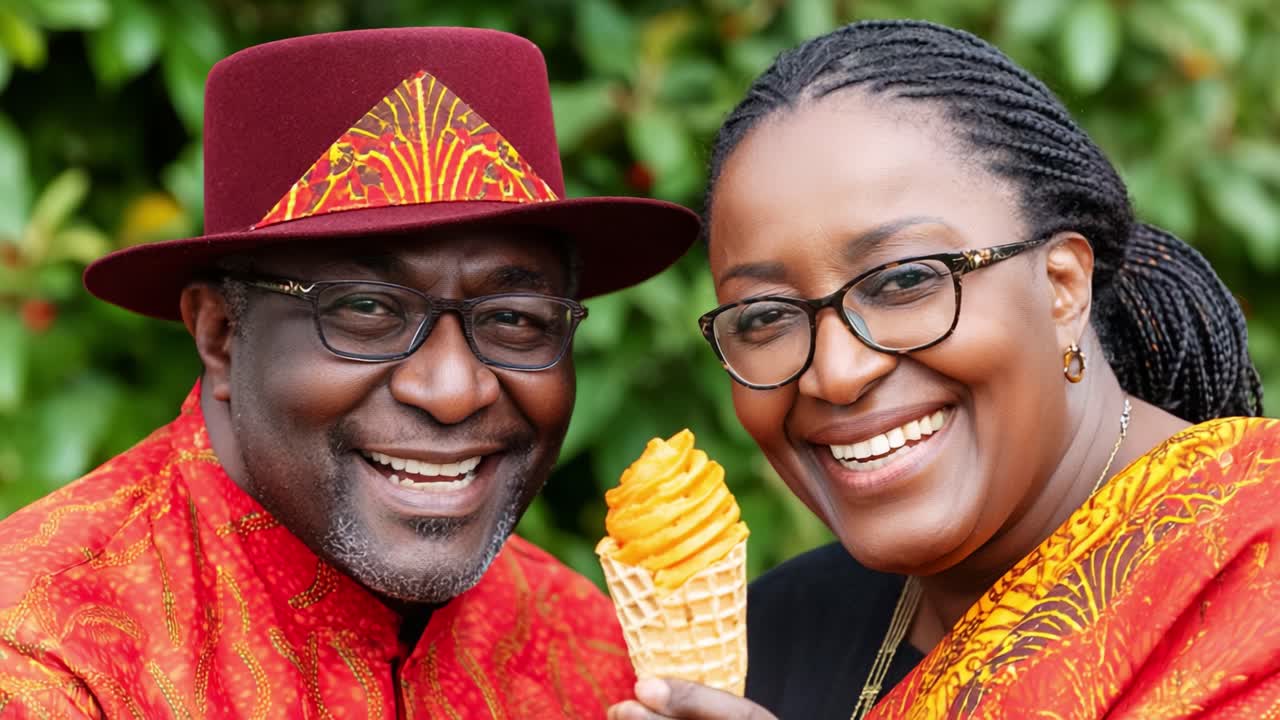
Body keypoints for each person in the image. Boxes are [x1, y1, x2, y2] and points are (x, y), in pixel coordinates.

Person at [0, 27, 699, 718]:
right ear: (219, 334)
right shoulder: (43, 654)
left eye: (513, 317)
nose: (454, 391)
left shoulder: (595, 656)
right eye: (367, 309)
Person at [609, 19, 1280, 720]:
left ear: (1061, 287)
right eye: (766, 318)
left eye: (904, 283)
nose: (836, 374)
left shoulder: (1251, 571)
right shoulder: (771, 639)